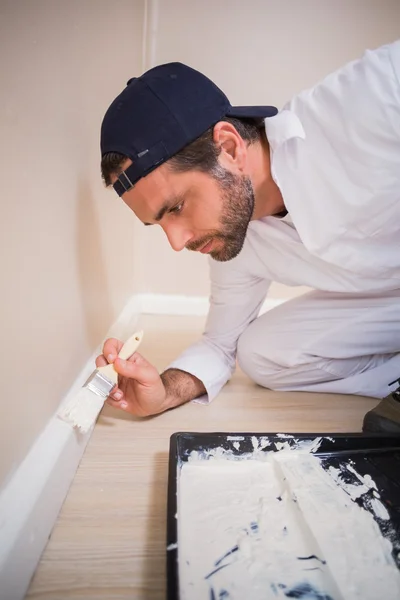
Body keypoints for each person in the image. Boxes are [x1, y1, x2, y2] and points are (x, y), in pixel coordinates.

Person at [96, 39, 400, 433]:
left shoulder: (370, 97)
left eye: (175, 207)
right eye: (158, 225)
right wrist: (163, 393)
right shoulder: (235, 236)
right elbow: (221, 345)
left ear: (228, 146)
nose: (176, 242)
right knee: (261, 354)